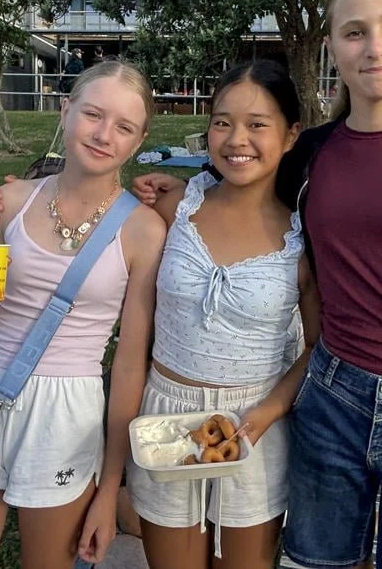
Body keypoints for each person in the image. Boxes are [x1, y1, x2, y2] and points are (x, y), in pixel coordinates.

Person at [132, 0, 382, 568]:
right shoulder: (313, 153)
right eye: (355, 31)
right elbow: (244, 166)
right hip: (330, 401)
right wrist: (183, 187)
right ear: (334, 44)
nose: (375, 47)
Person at [0, 60, 166, 568]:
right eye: (93, 115)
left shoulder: (145, 231)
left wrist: (107, 490)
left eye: (124, 126)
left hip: (67, 412)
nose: (104, 135)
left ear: (139, 139)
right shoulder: (10, 201)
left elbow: (128, 364)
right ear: (66, 111)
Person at [125, 60, 320, 569]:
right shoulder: (174, 209)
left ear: (291, 133)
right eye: (222, 121)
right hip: (165, 417)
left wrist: (271, 410)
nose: (237, 139)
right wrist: (9, 205)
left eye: (258, 124)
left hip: (255, 424)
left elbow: (321, 345)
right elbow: (97, 225)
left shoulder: (305, 237)